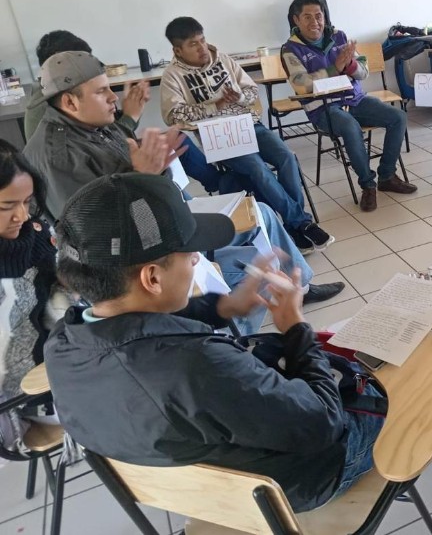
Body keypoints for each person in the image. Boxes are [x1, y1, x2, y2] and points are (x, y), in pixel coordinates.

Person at [44, 173, 383, 512]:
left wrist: (224, 307)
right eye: (190, 253)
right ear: (152, 277)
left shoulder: (62, 344)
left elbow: (139, 327)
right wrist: (295, 328)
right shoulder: (197, 365)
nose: (196, 259)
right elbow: (324, 422)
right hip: (293, 486)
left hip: (186, 493)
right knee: (385, 382)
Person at [21, 51, 343, 327]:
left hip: (161, 219)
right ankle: (228, 342)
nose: (113, 98)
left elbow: (115, 170)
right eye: (102, 92)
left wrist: (143, 156)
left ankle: (300, 287)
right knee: (251, 267)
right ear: (69, 101)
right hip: (139, 261)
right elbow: (101, 236)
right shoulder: (58, 156)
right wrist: (142, 175)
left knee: (264, 213)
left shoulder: (85, 126)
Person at [160, 17, 332, 253]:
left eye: (202, 40)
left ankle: (293, 226)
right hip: (219, 136)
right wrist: (215, 106)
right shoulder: (172, 76)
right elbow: (173, 116)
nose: (202, 48)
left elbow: (251, 90)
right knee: (256, 168)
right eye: (193, 45)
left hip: (249, 123)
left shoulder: (222, 59)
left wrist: (239, 98)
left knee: (287, 156)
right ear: (177, 50)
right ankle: (300, 222)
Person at [24, 29, 245, 195]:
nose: (113, 97)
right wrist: (141, 169)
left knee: (172, 141)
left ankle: (218, 183)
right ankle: (218, 186)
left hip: (122, 177)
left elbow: (108, 137)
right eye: (102, 90)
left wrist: (131, 118)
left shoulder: (66, 110)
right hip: (125, 197)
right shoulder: (53, 140)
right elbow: (106, 209)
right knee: (167, 159)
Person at [281, 0, 416, 213]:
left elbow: (363, 72)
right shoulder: (290, 49)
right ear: (296, 20)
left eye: (319, 15)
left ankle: (387, 175)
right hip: (323, 108)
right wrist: (336, 68)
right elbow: (302, 84)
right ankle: (368, 185)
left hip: (355, 99)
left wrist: (351, 65)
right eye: (307, 17)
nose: (315, 22)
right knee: (351, 128)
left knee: (398, 117)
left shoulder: (339, 37)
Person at [0, 141, 69, 452]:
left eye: (27, 202)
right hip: (19, 397)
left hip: (57, 362)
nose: (21, 216)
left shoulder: (37, 234)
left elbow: (67, 289)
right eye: (6, 206)